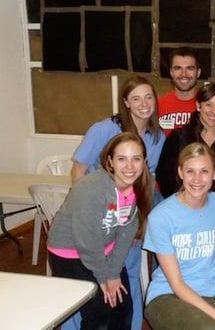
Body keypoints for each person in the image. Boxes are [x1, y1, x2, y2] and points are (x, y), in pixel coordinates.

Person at [68, 75, 165, 330]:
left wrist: (142, 218)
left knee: (129, 270)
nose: (144, 103)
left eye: (148, 97)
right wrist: (82, 212)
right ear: (126, 102)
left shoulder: (157, 137)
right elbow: (79, 169)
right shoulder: (104, 129)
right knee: (89, 280)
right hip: (98, 217)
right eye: (136, 98)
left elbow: (148, 180)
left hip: (129, 216)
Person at [47, 132, 153, 330]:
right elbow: (87, 242)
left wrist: (113, 273)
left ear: (144, 161)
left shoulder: (138, 186)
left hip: (104, 248)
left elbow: (126, 233)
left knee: (123, 308)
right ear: (110, 161)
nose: (130, 167)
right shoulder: (91, 188)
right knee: (100, 311)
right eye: (122, 159)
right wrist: (104, 277)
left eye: (136, 159)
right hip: (70, 253)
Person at [144, 142, 215, 330]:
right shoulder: (161, 217)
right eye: (190, 171)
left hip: (211, 293)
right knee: (210, 328)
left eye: (204, 171)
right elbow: (177, 283)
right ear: (180, 173)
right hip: (167, 295)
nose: (197, 179)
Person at [156, 83, 215, 196]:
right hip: (185, 207)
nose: (214, 111)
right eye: (208, 105)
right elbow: (163, 175)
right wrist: (179, 200)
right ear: (198, 106)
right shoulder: (179, 136)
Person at [158, 46, 215, 137]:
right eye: (178, 68)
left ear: (198, 72)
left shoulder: (212, 104)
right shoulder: (158, 105)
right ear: (171, 72)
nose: (183, 74)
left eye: (190, 68)